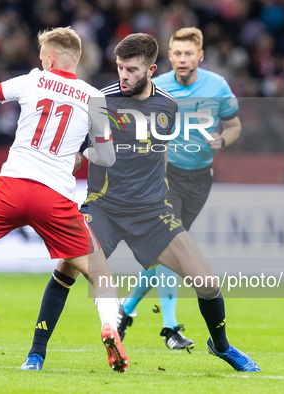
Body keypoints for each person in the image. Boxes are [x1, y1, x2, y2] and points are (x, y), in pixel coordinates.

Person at [21, 32, 259, 373]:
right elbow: (75, 154)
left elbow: (160, 156)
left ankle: (221, 347)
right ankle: (36, 354)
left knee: (208, 283)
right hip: (103, 208)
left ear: (151, 69)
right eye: (119, 68)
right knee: (66, 269)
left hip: (151, 213)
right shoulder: (99, 102)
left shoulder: (168, 107)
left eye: (131, 70)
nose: (123, 76)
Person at [0, 27, 128, 373]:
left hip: (12, 185)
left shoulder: (33, 80)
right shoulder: (94, 98)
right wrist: (81, 152)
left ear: (50, 58)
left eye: (43, 56)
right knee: (100, 275)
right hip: (54, 195)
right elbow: (107, 156)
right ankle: (108, 326)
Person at [119, 27, 243, 349]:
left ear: (200, 56)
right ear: (169, 56)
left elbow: (234, 124)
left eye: (189, 53)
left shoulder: (217, 86)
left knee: (167, 254)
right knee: (171, 243)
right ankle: (170, 328)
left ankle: (126, 310)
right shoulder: (157, 87)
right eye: (177, 53)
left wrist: (222, 140)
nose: (182, 59)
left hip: (200, 178)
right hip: (165, 175)